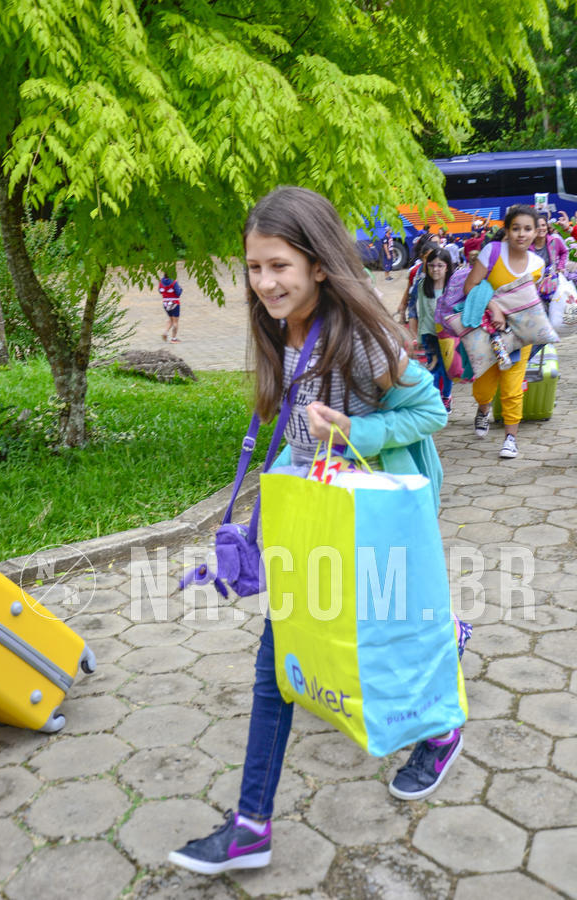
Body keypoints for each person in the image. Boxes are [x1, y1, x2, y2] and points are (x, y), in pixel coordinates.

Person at [168, 186, 467, 876]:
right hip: (319, 513)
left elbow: (430, 412)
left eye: (279, 267)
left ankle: (443, 719)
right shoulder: (279, 328)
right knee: (280, 665)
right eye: (254, 267)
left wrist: (357, 430)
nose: (265, 283)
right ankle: (251, 825)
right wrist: (267, 529)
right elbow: (297, 440)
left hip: (376, 517)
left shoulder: (362, 340)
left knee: (386, 632)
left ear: (320, 266)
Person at [464, 205, 544, 460]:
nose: (522, 234)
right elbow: (470, 286)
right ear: (507, 231)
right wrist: (494, 307)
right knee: (484, 389)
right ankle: (483, 408)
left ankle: (511, 438)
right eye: (516, 228)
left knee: (512, 388)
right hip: (487, 332)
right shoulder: (492, 252)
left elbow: (531, 301)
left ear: (535, 232)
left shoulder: (538, 264)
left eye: (527, 229)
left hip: (519, 337)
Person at [414, 248, 454, 413]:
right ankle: (435, 400)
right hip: (429, 334)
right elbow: (422, 312)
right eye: (431, 265)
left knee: (447, 369)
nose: (435, 269)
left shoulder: (452, 285)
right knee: (433, 368)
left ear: (447, 267)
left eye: (440, 265)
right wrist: (419, 337)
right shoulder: (423, 285)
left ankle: (446, 396)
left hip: (448, 336)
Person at [158, 273, 183, 342]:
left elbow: (160, 291)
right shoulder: (174, 282)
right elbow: (178, 293)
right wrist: (181, 289)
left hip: (165, 303)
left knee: (171, 319)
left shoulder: (161, 281)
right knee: (175, 321)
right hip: (174, 303)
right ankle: (174, 338)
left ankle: (165, 332)